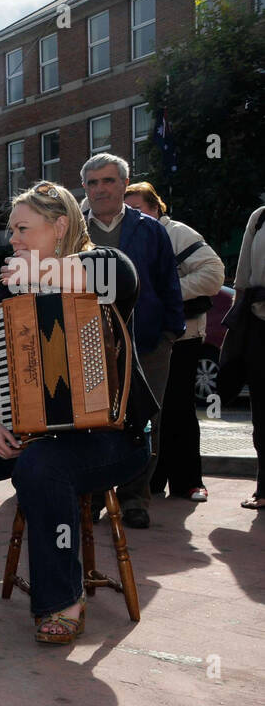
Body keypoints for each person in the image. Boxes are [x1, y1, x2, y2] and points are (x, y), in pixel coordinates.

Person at [0, 182, 156, 644]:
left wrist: (38, 272)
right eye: (12, 231)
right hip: (29, 437)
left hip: (114, 439)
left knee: (43, 463)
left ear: (60, 226)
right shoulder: (8, 293)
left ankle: (62, 599)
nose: (14, 241)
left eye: (24, 229)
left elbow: (111, 277)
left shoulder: (104, 265)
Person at [80, 153, 185, 528]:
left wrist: (171, 334)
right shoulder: (74, 232)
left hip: (148, 343)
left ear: (125, 185)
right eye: (92, 183)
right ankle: (92, 495)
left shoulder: (151, 229)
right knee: (92, 420)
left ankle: (134, 498)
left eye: (108, 181)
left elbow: (169, 284)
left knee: (143, 422)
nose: (100, 189)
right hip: (88, 345)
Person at [124, 182, 225, 503]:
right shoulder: (133, 234)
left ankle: (189, 482)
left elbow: (213, 273)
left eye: (138, 209)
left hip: (181, 336)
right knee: (151, 411)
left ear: (157, 208)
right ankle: (152, 481)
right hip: (144, 335)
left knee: (179, 409)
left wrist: (164, 293)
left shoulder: (178, 234)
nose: (133, 215)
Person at [228, 202, 265, 509]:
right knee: (262, 413)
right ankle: (263, 489)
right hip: (259, 323)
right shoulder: (260, 216)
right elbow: (242, 279)